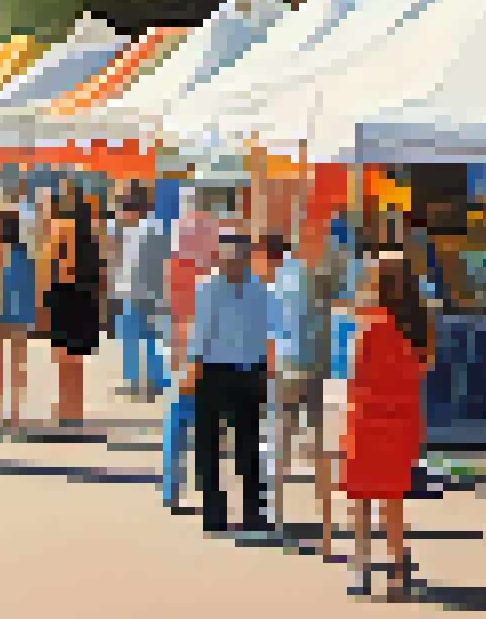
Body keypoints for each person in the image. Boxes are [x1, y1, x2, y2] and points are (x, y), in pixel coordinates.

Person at [340, 253, 431, 602]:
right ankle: (397, 572)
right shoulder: (418, 327)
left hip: (366, 419)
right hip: (402, 421)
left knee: (362, 499)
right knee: (394, 500)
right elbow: (422, 370)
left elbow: (356, 376)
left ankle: (362, 569)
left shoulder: (369, 324)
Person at [185, 228, 279, 534]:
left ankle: (240, 512)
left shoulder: (250, 290)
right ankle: (231, 512)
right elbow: (200, 337)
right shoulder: (221, 288)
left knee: (240, 446)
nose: (233, 261)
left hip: (238, 373)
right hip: (225, 372)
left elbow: (268, 336)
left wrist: (267, 373)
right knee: (226, 446)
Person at [259, 232, 326, 539]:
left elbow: (269, 331)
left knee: (278, 442)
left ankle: (274, 513)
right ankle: (326, 515)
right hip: (313, 366)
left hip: (286, 366)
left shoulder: (272, 286)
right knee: (318, 445)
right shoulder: (308, 276)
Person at [43, 182, 106, 429]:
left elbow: (61, 267)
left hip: (66, 297)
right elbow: (101, 274)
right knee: (76, 360)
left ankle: (65, 410)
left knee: (64, 359)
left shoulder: (62, 230)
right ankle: (74, 410)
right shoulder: (93, 235)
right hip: (86, 300)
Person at [111, 185, 170, 400]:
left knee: (133, 340)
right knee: (146, 339)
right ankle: (155, 380)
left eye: (123, 209)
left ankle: (142, 382)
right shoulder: (145, 230)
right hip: (138, 294)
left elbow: (146, 267)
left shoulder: (144, 232)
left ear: (134, 210)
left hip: (138, 295)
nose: (120, 214)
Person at [0, 207, 38, 432]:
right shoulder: (25, 253)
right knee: (15, 363)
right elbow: (31, 286)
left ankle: (0, 407)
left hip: (2, 312)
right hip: (19, 314)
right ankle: (14, 411)